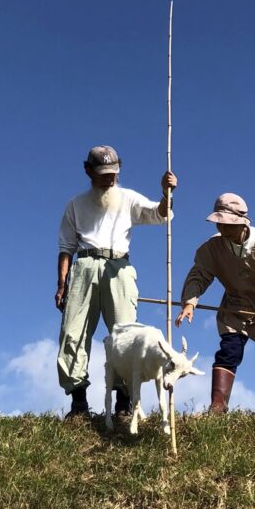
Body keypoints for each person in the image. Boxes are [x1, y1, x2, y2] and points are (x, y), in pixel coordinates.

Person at [56, 145, 178, 419]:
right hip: (84, 266)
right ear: (88, 171)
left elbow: (159, 214)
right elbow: (66, 247)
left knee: (125, 333)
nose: (109, 179)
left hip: (119, 266)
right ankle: (78, 405)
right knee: (73, 332)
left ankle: (124, 403)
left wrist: (166, 193)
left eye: (113, 173)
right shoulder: (75, 205)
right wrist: (62, 284)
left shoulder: (128, 198)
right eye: (103, 174)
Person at [176, 192, 255, 415]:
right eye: (219, 224)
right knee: (229, 351)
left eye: (228, 225)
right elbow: (199, 274)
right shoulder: (212, 248)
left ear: (243, 223)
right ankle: (218, 407)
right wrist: (190, 302)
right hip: (234, 306)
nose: (223, 229)